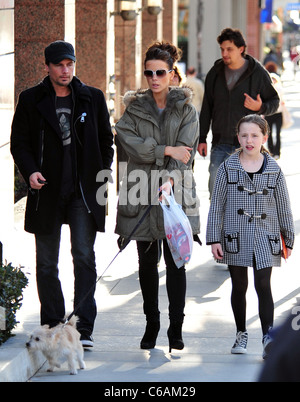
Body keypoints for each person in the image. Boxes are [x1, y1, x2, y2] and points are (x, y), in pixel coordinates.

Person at [10, 40, 114, 348]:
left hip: (82, 193)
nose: (65, 70)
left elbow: (107, 140)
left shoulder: (91, 97)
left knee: (83, 257)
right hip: (47, 192)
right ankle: (54, 325)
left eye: (70, 64)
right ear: (48, 67)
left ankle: (82, 327)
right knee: (46, 263)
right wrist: (30, 171)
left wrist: (100, 174)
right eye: (59, 65)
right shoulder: (31, 99)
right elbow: (19, 142)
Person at [115, 41, 200, 352]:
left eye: (160, 72)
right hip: (141, 194)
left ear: (171, 73)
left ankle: (176, 327)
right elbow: (128, 140)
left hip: (175, 194)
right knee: (146, 263)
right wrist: (164, 149)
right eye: (149, 72)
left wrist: (169, 177)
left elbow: (186, 150)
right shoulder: (133, 110)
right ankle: (152, 323)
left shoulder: (187, 110)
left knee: (176, 261)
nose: (154, 78)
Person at [206, 114, 294, 359]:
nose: (249, 140)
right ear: (238, 137)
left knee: (263, 284)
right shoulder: (228, 166)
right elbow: (217, 205)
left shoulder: (273, 168)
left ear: (264, 137)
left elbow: (284, 205)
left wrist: (288, 237)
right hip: (235, 235)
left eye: (255, 135)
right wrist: (214, 238)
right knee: (239, 285)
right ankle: (241, 333)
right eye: (244, 135)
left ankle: (268, 335)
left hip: (266, 236)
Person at [199, 28, 280, 197]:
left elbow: (275, 102)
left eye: (229, 49)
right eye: (222, 49)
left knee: (246, 194)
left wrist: (260, 107)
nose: (224, 53)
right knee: (215, 190)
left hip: (248, 144)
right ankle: (218, 223)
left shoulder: (257, 73)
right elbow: (207, 107)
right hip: (220, 143)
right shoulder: (215, 73)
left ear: (241, 49)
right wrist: (202, 139)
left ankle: (241, 223)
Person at [265, 70, 284, 159]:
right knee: (269, 134)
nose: (273, 81)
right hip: (269, 114)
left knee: (278, 134)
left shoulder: (279, 89)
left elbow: (282, 101)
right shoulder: (266, 90)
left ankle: (277, 152)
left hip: (278, 114)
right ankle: (271, 152)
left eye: (274, 79)